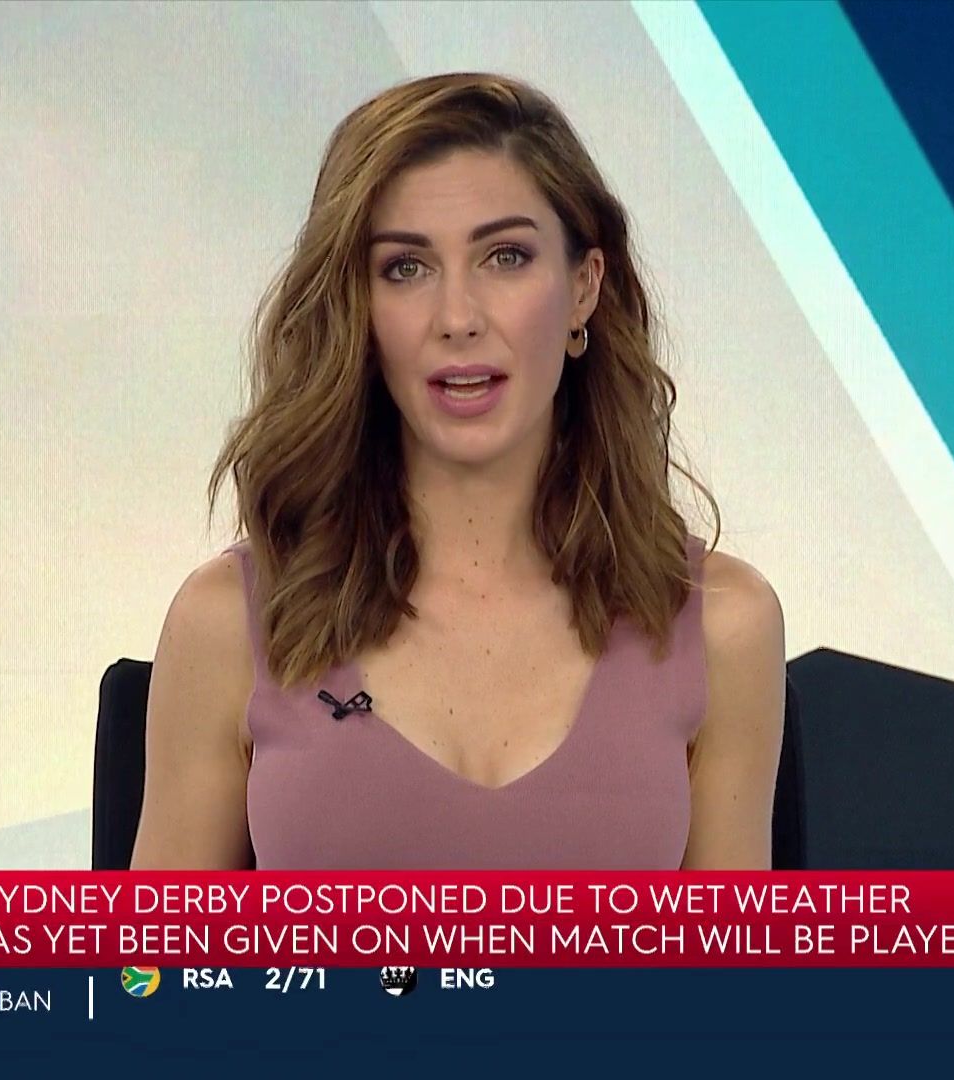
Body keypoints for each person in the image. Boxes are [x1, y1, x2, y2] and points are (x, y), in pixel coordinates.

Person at [131, 73, 785, 871]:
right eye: (406, 268)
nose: (457, 318)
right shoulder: (226, 626)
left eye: (505, 257)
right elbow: (152, 951)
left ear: (584, 287)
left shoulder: (724, 627)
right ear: (358, 309)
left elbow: (733, 955)